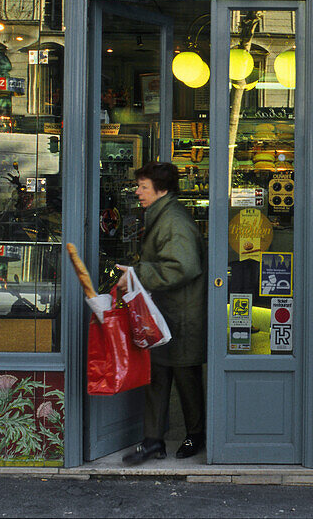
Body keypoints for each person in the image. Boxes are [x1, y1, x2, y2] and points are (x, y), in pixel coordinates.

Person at [118, 162, 207, 464]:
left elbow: (185, 266)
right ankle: (153, 440)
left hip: (180, 313)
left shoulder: (174, 221)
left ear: (162, 190)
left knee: (185, 377)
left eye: (143, 186)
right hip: (165, 312)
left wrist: (139, 272)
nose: (137, 191)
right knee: (157, 376)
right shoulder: (164, 215)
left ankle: (195, 435)